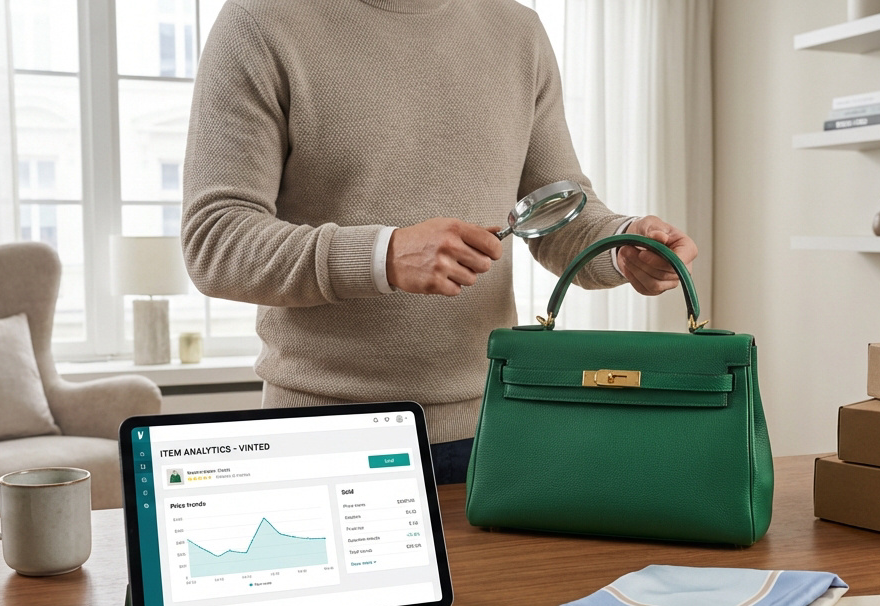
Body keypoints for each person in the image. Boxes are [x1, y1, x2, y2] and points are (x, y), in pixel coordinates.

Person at [182, 0, 698, 483]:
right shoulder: (260, 21)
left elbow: (556, 214)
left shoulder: (518, 31)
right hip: (321, 438)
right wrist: (385, 255)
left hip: (491, 433)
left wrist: (622, 244)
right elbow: (216, 238)